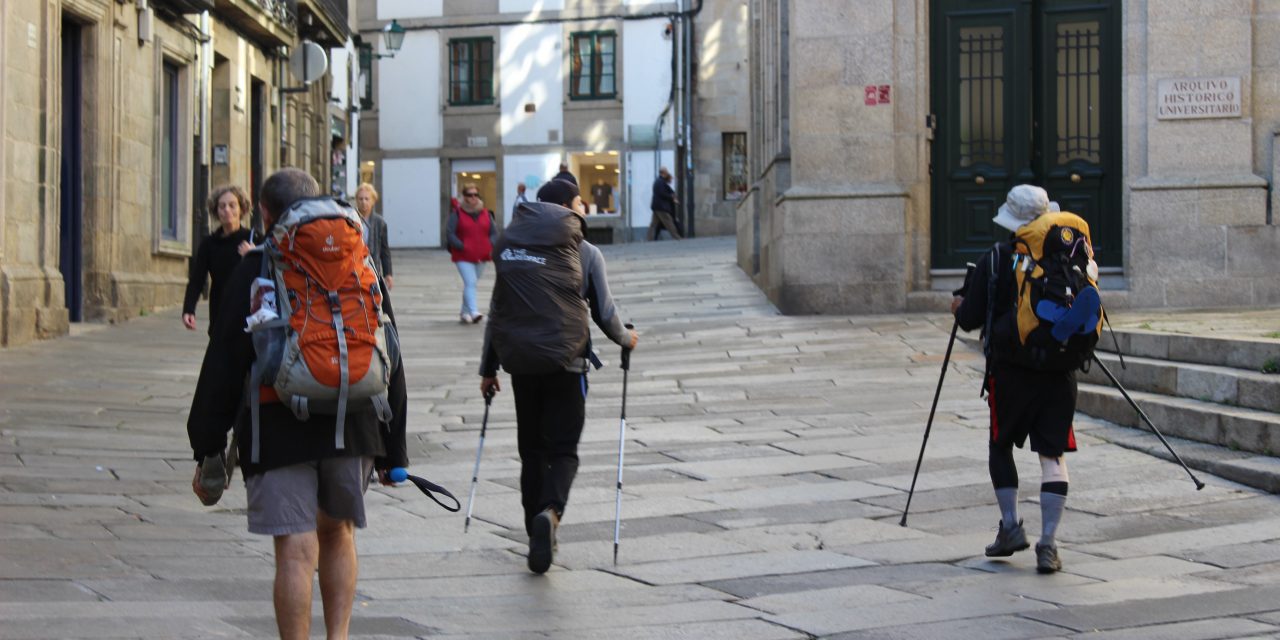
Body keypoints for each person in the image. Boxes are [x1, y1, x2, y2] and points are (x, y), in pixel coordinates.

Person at [187, 168, 408, 639]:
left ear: (264, 214)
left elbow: (225, 356)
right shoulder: (358, 257)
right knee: (338, 534)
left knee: (294, 548)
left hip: (276, 421)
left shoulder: (259, 265)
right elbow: (390, 346)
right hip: (355, 417)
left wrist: (208, 443)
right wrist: (395, 449)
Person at [478, 177, 638, 574]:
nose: (583, 208)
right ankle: (549, 515)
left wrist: (488, 368)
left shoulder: (513, 250)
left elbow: (499, 310)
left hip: (521, 366)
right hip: (568, 365)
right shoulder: (585, 251)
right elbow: (604, 312)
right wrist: (626, 338)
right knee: (563, 450)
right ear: (569, 207)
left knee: (531, 451)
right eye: (580, 202)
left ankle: (534, 519)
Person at [951, 184, 1076, 575]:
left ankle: (1010, 528)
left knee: (1000, 445)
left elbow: (969, 319)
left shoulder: (995, 258)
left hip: (1009, 374)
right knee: (1052, 456)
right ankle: (1049, 545)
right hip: (1058, 372)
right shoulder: (1066, 255)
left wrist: (958, 304)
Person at [182, 185, 254, 334]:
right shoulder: (209, 243)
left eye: (232, 205)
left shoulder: (253, 238)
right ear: (216, 211)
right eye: (222, 206)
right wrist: (188, 309)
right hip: (219, 312)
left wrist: (255, 254)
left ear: (242, 209)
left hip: (248, 315)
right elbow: (197, 279)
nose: (227, 210)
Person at [446, 183, 498, 324]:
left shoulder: (486, 213)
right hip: (463, 256)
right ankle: (474, 312)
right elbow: (450, 233)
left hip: (482, 256)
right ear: (464, 197)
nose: (473, 197)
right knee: (471, 282)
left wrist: (490, 244)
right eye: (470, 195)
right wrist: (461, 245)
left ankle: (464, 312)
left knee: (471, 284)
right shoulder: (457, 213)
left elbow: (493, 232)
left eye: (476, 194)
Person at [354, 182, 393, 289]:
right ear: (356, 200)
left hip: (372, 269)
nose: (363, 202)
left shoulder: (380, 223)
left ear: (373, 201)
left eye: (367, 199)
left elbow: (385, 251)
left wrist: (388, 274)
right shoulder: (349, 220)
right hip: (353, 269)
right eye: (360, 199)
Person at [648, 166, 683, 240]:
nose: (667, 173)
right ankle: (677, 237)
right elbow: (662, 193)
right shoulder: (660, 182)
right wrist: (671, 197)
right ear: (663, 173)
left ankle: (649, 238)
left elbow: (667, 190)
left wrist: (672, 195)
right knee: (669, 222)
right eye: (666, 172)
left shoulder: (659, 181)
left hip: (657, 206)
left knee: (653, 224)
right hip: (661, 207)